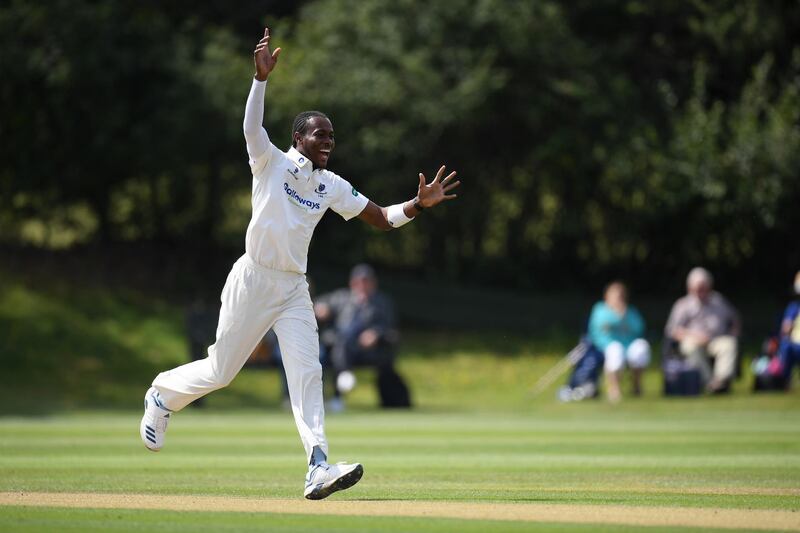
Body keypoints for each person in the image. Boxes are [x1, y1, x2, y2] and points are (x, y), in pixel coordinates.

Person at [139, 26, 460, 500]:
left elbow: (381, 219)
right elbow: (250, 129)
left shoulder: (330, 184)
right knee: (221, 371)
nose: (328, 141)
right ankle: (162, 395)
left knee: (308, 374)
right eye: (319, 134)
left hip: (293, 289)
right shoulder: (270, 161)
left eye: (332, 135)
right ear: (299, 137)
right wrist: (260, 81)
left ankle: (318, 466)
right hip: (252, 279)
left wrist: (416, 205)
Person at [314, 264, 408, 411]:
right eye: (358, 282)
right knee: (336, 347)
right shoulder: (341, 298)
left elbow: (392, 332)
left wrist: (376, 334)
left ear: (373, 283)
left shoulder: (382, 303)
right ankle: (335, 394)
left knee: (343, 348)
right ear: (352, 283)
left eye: (366, 281)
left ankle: (341, 385)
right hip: (339, 347)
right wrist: (321, 308)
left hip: (369, 351)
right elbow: (320, 303)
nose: (362, 286)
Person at [664, 267, 741, 393]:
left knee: (729, 344)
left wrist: (734, 332)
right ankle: (709, 383)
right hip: (692, 341)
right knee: (690, 347)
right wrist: (694, 336)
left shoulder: (719, 300)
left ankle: (721, 381)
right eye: (697, 288)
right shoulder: (683, 305)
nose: (701, 291)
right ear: (690, 288)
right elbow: (671, 330)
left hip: (716, 340)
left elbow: (735, 318)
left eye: (703, 287)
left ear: (709, 286)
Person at [588, 281, 650, 402]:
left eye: (621, 296)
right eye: (615, 296)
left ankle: (636, 386)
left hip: (628, 345)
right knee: (616, 350)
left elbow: (639, 328)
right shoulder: (600, 309)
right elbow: (599, 327)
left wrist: (624, 315)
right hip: (605, 345)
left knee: (641, 347)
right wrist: (618, 317)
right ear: (607, 296)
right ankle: (614, 389)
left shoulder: (630, 311)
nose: (618, 299)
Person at [778, 270, 800, 387]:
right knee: (785, 346)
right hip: (796, 345)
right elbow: (785, 328)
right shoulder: (794, 307)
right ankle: (785, 381)